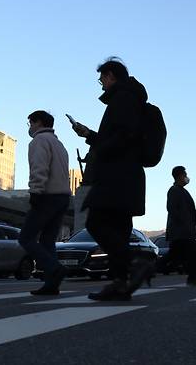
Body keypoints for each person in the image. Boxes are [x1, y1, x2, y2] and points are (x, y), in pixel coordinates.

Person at [72, 57, 153, 300]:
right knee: (118, 229)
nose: (102, 85)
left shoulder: (123, 98)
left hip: (117, 174)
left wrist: (98, 144)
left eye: (102, 80)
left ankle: (135, 263)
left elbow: (121, 138)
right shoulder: (133, 98)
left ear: (110, 76)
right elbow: (122, 137)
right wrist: (90, 135)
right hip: (128, 175)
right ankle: (120, 283)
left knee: (96, 222)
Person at [19, 111, 72, 295]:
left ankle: (54, 268)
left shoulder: (39, 141)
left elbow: (39, 167)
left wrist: (35, 191)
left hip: (46, 196)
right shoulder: (59, 144)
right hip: (63, 197)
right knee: (48, 241)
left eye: (30, 123)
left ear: (38, 122)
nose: (30, 127)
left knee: (26, 237)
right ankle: (51, 284)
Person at [157, 166, 196, 286]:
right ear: (179, 176)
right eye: (185, 175)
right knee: (193, 252)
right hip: (181, 231)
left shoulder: (182, 191)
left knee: (173, 255)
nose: (186, 177)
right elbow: (172, 209)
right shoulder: (174, 190)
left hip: (183, 231)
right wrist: (185, 224)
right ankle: (192, 278)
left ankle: (147, 270)